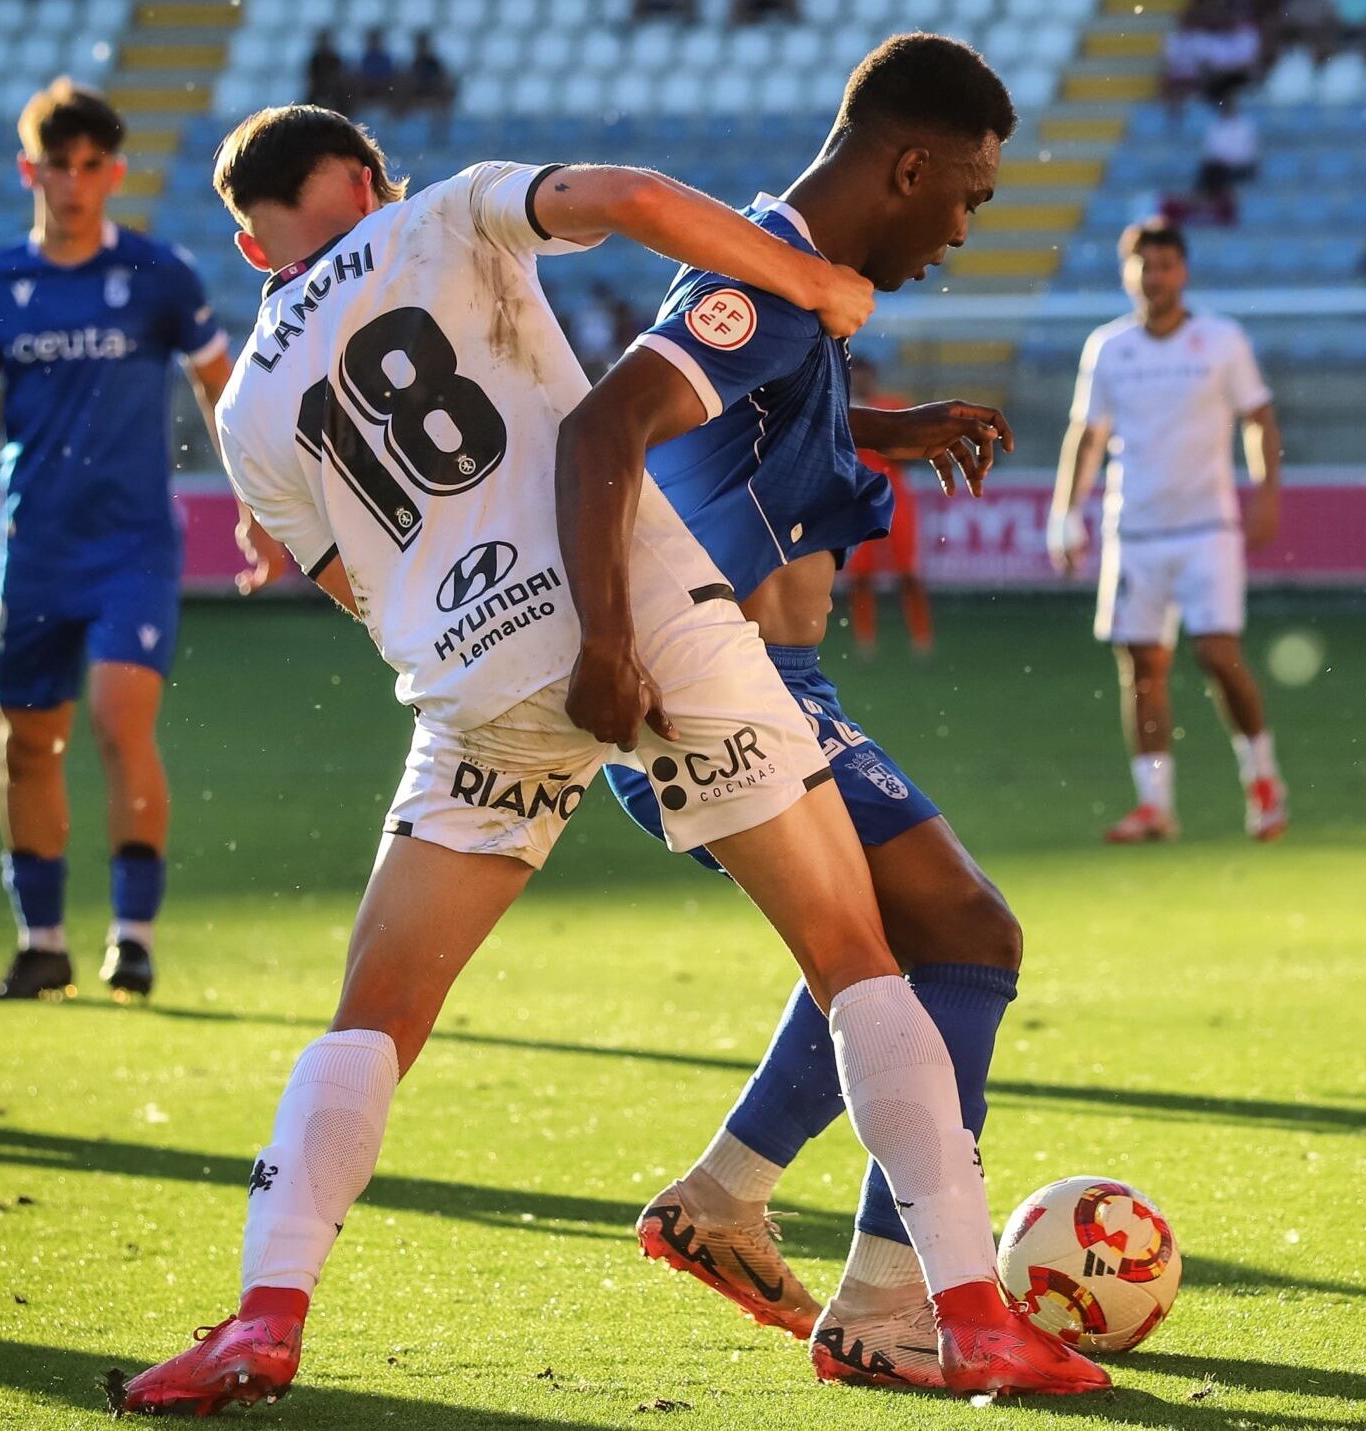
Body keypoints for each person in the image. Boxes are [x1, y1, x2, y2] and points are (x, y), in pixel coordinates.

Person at [117, 104, 1109, 1415]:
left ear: (252, 251)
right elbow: (632, 196)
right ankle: (965, 1314)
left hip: (471, 681)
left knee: (373, 1013)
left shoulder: (246, 411)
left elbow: (353, 589)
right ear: (367, 175)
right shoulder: (445, 211)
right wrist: (807, 277)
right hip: (644, 621)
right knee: (859, 954)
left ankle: (264, 1311)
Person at [589, 33, 1045, 1390]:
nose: (961, 230)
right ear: (906, 164)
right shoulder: (760, 279)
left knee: (888, 946)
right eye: (963, 196)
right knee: (962, 931)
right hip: (722, 682)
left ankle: (726, 1198)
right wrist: (610, 644)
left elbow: (734, 425)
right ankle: (891, 1300)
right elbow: (611, 422)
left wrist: (883, 430)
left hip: (770, 683)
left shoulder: (786, 282)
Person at [0, 78, 288, 1005]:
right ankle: (41, 943)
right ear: (27, 171)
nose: (73, 184)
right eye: (56, 167)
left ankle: (134, 935)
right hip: (34, 547)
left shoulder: (161, 276)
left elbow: (221, 387)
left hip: (132, 547)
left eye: (90, 167)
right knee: (28, 744)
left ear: (113, 172)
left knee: (122, 723)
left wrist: (255, 503)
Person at [1047, 219, 1288, 843]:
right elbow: (1088, 434)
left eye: (1165, 266)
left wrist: (1265, 491)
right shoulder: (1108, 347)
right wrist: (1066, 512)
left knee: (1216, 654)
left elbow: (1258, 417)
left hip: (1208, 526)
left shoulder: (1220, 340)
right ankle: (1156, 805)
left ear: (1183, 271)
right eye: (1143, 267)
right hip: (1136, 530)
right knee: (1141, 666)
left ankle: (1262, 778)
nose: (1155, 278)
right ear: (1128, 274)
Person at [841, 356, 933, 656]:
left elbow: (909, 450)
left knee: (908, 573)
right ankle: (864, 640)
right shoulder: (841, 410)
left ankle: (921, 637)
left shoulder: (893, 407)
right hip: (856, 499)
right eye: (856, 376)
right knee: (861, 576)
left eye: (866, 376)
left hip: (895, 497)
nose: (862, 382)